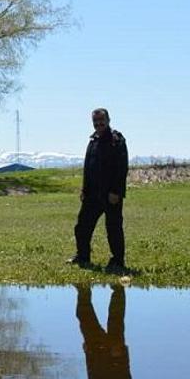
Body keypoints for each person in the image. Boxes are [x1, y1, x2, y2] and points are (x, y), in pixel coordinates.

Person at [68, 107, 128, 273]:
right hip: (92, 194)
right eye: (95, 121)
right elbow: (88, 167)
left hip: (111, 195)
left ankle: (117, 261)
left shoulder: (117, 140)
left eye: (101, 121)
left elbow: (122, 168)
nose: (98, 124)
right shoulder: (92, 141)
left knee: (113, 228)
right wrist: (84, 189)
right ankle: (83, 256)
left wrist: (117, 191)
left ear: (108, 120)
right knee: (82, 227)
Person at [74, 283, 132, 379]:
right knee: (116, 317)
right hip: (115, 353)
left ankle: (83, 289)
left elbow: (91, 374)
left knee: (83, 316)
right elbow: (125, 376)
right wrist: (121, 354)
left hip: (96, 352)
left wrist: (87, 352)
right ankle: (119, 289)